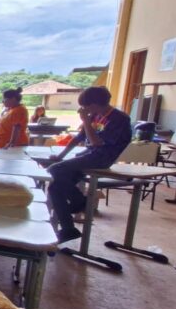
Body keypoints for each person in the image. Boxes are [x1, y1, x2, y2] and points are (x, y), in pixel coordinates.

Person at [48, 86, 132, 243]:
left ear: (94, 104)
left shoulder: (119, 119)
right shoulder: (95, 115)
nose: (83, 110)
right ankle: (68, 228)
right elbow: (79, 137)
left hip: (102, 158)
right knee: (55, 185)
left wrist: (86, 121)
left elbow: (96, 143)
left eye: (85, 106)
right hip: (89, 155)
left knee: (53, 170)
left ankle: (80, 202)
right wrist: (60, 156)